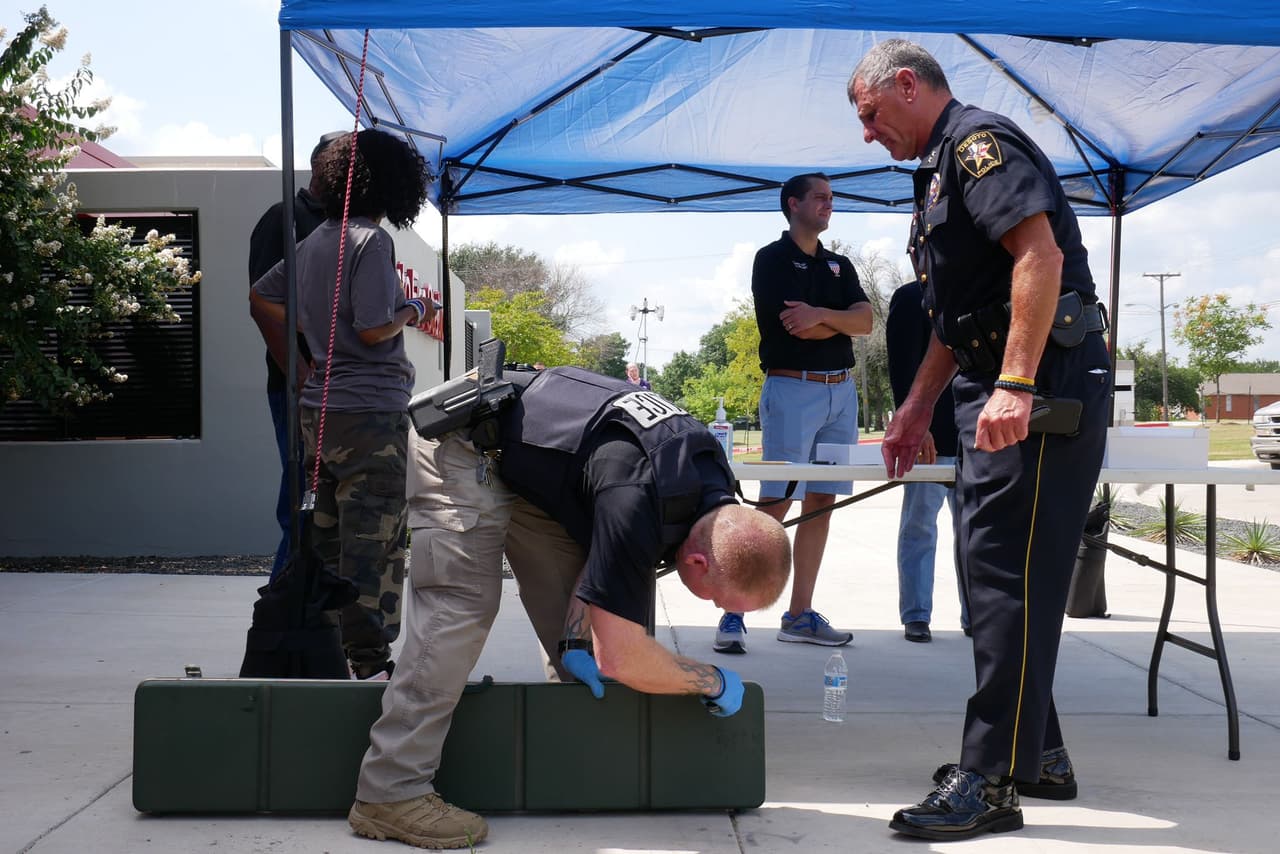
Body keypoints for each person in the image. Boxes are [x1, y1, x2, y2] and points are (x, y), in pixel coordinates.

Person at [349, 365, 791, 849]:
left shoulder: (711, 486)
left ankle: (576, 758)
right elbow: (622, 655)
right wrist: (711, 679)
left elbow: (604, 554)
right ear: (699, 560)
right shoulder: (639, 497)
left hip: (532, 465)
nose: (714, 611)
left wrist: (579, 632)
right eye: (715, 599)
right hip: (464, 441)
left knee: (573, 626)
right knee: (462, 607)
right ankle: (391, 790)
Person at [849, 39, 1110, 840]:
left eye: (869, 115)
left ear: (905, 86)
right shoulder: (936, 174)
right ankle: (1043, 754)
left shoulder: (976, 146)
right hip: (989, 379)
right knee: (997, 572)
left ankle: (991, 780)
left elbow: (1040, 253)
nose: (867, 134)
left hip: (1038, 385)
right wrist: (916, 407)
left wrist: (1018, 383)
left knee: (1003, 578)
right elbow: (955, 314)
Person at [250, 129, 434, 680]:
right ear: (392, 184)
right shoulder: (370, 241)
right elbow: (376, 329)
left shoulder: (314, 241)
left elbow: (261, 296)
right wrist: (413, 310)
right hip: (371, 412)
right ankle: (373, 668)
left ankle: (332, 659)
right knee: (373, 541)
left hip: (319, 411)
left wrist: (310, 352)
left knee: (326, 537)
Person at [714, 172, 873, 655]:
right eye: (820, 197)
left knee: (822, 500)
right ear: (793, 204)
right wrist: (835, 320)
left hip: (841, 395)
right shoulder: (772, 259)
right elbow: (792, 330)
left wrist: (822, 315)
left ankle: (799, 614)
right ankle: (733, 612)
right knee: (775, 503)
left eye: (831, 197)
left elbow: (864, 322)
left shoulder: (839, 264)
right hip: (791, 388)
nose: (829, 204)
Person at [247, 130, 344, 581]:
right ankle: (281, 624)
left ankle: (317, 624)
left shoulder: (345, 225)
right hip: (300, 389)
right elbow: (265, 305)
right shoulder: (284, 217)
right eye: (343, 161)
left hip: (340, 390)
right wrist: (301, 375)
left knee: (328, 506)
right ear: (320, 164)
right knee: (303, 505)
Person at [886, 279, 970, 643]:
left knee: (975, 535)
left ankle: (977, 616)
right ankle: (917, 614)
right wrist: (915, 427)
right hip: (930, 440)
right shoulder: (909, 299)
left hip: (976, 435)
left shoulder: (976, 293)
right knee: (920, 528)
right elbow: (902, 369)